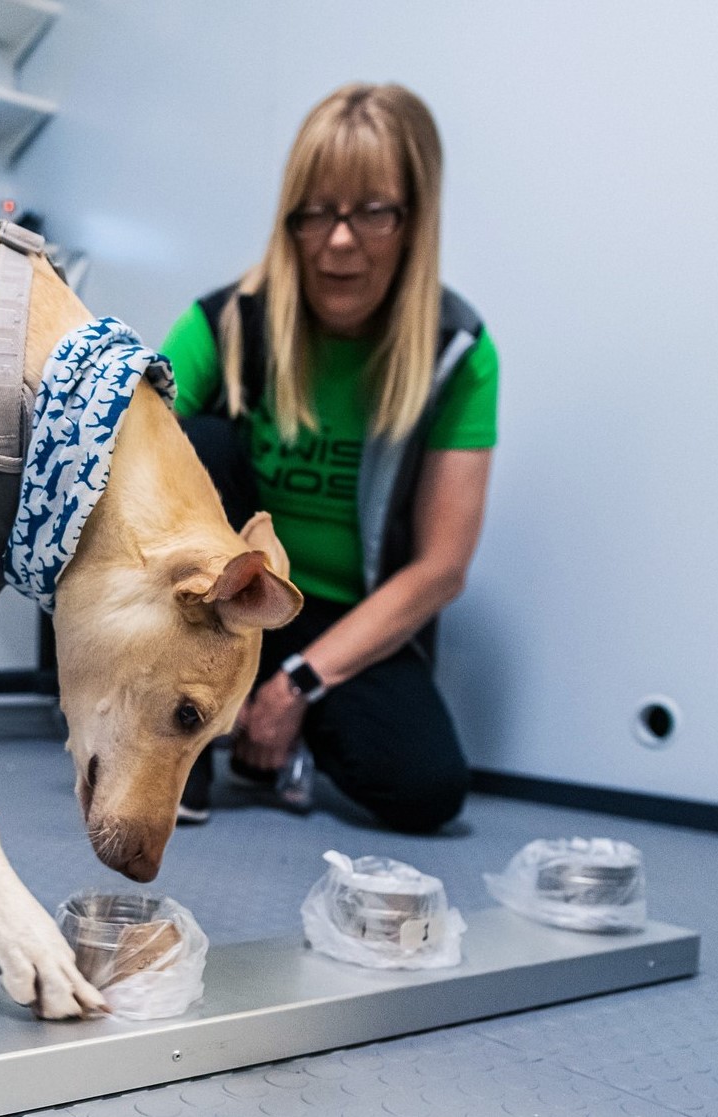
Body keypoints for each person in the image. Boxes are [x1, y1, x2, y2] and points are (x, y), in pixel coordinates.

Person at [162, 82, 498, 833]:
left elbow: (440, 566)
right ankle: (182, 742)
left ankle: (281, 726)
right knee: (189, 438)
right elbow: (119, 449)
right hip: (225, 600)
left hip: (345, 620)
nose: (338, 241)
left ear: (414, 220)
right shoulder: (223, 320)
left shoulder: (458, 352)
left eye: (371, 211)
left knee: (425, 790)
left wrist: (295, 686)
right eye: (315, 212)